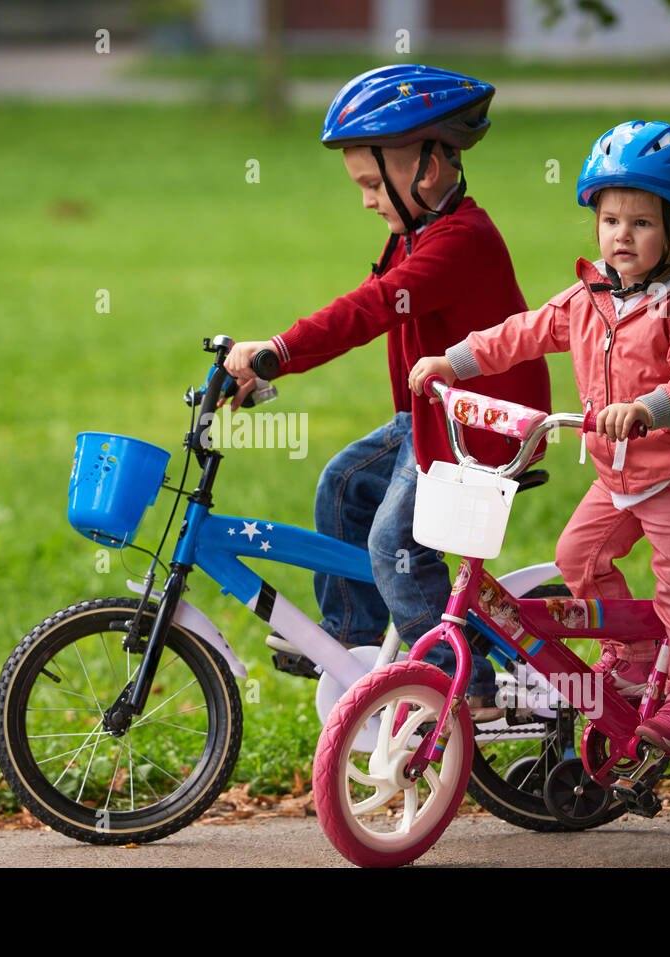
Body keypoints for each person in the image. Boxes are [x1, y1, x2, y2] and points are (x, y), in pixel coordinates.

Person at [223, 65, 551, 719]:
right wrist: (271, 358)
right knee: (342, 485)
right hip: (429, 420)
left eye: (373, 184)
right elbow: (374, 302)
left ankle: (459, 683)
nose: (368, 200)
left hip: (479, 430)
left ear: (427, 168)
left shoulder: (461, 241)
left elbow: (369, 310)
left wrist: (278, 351)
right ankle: (358, 641)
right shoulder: (416, 233)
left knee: (393, 543)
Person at [410, 120, 670, 751]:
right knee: (577, 558)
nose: (622, 235)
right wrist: (453, 363)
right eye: (611, 220)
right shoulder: (590, 298)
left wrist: (647, 407)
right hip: (617, 477)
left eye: (642, 223)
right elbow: (523, 332)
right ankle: (633, 656)